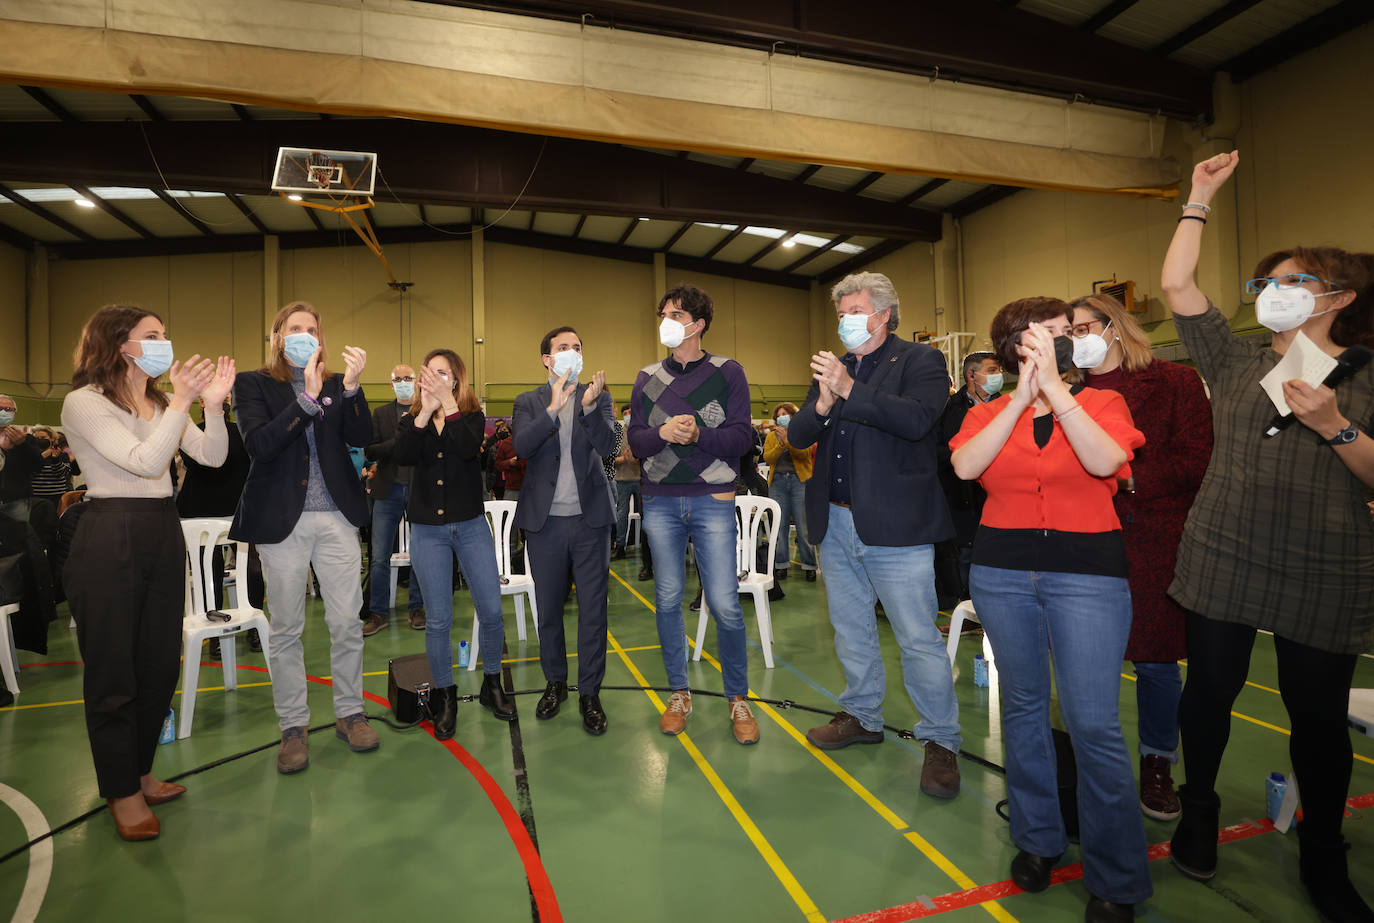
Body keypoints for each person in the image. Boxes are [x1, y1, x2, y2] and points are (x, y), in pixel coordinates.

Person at [1160, 151, 1374, 921]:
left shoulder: (1367, 377)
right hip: (1223, 552)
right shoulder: (1238, 358)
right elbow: (1179, 287)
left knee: (1317, 719)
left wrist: (1336, 424)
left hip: (1328, 567)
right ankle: (1200, 810)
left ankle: (1324, 854)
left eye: (1293, 282)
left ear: (1339, 297)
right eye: (1267, 283)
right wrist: (1199, 196)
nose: (1274, 294)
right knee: (1208, 695)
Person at [950, 296, 1149, 922]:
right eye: (1054, 333)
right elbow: (966, 467)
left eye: (1071, 333)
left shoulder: (1103, 404)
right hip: (1003, 573)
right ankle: (1038, 840)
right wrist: (1019, 398)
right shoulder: (986, 413)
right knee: (1025, 706)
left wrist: (1057, 393)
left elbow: (1103, 461)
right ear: (1015, 346)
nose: (1069, 339)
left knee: (1093, 723)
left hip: (1088, 574)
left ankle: (1116, 874)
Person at [60, 303, 235, 841]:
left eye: (165, 333)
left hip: (162, 528)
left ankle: (140, 772)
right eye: (152, 335)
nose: (164, 343)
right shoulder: (83, 403)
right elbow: (142, 461)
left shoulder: (158, 402)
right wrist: (181, 402)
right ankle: (121, 789)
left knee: (158, 662)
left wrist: (211, 407)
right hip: (111, 531)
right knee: (114, 669)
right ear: (118, 344)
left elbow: (211, 456)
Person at [788, 272, 963, 799]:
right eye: (841, 310)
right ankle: (862, 715)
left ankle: (941, 739)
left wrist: (848, 390)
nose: (846, 318)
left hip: (897, 526)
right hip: (836, 522)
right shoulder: (836, 370)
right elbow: (798, 436)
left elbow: (917, 421)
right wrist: (821, 403)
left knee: (916, 637)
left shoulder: (920, 362)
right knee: (850, 628)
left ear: (884, 313)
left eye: (855, 308)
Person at [1069, 292, 1213, 821]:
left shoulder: (1174, 383)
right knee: (1088, 663)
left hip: (1154, 536)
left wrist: (1127, 478)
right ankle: (1094, 765)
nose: (1077, 338)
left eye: (1086, 327)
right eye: (1070, 332)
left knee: (1155, 662)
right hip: (1083, 539)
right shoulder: (1067, 394)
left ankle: (1157, 763)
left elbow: (1198, 460)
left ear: (1116, 326)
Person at [230, 301, 376, 774]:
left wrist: (350, 389)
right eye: (295, 328)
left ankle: (350, 713)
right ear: (277, 336)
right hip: (281, 524)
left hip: (336, 517)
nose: (305, 335)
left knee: (347, 623)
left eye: (312, 328)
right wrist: (306, 401)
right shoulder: (253, 384)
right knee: (287, 629)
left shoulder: (336, 382)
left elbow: (362, 434)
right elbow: (260, 445)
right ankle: (293, 727)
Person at [628, 282, 760, 744]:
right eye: (663, 312)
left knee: (724, 603)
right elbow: (636, 443)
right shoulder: (646, 378)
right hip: (660, 501)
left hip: (714, 499)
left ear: (699, 324)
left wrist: (697, 434)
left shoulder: (728, 373)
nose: (667, 320)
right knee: (666, 600)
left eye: (677, 313)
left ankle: (737, 698)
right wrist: (664, 430)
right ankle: (678, 694)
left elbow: (743, 438)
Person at [392, 348, 511, 739]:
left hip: (471, 525)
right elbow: (404, 455)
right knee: (439, 619)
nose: (438, 378)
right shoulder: (413, 420)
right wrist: (425, 411)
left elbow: (465, 450)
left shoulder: (472, 417)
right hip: (428, 530)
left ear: (457, 379)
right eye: (433, 372)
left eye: (446, 373)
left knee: (491, 610)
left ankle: (492, 684)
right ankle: (445, 695)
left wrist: (447, 406)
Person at [510, 327, 617, 735]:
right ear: (546, 359)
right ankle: (556, 682)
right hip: (545, 524)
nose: (571, 352)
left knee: (593, 612)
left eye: (577, 347)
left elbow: (609, 447)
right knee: (549, 610)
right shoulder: (529, 401)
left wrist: (588, 409)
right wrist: (553, 410)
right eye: (562, 348)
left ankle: (590, 691)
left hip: (591, 522)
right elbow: (522, 445)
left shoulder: (599, 397)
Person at [176, 392, 265, 658]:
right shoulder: (195, 434)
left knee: (242, 567)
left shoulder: (240, 433)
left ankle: (243, 627)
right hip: (203, 513)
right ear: (202, 403)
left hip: (230, 510)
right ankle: (219, 629)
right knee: (217, 569)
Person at [361, 363, 426, 636]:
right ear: (391, 384)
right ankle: (377, 613)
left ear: (416, 381)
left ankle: (417, 608)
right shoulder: (381, 413)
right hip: (386, 492)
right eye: (397, 379)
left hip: (419, 491)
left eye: (407, 378)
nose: (402, 382)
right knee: (378, 558)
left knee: (421, 554)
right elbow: (371, 449)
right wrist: (397, 442)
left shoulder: (425, 411)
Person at [936, 352, 1001, 599]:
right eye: (992, 370)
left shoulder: (1008, 406)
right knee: (964, 555)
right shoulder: (948, 409)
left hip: (996, 497)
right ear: (971, 375)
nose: (998, 376)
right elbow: (938, 449)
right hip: (960, 496)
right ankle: (968, 612)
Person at [761, 402, 816, 581]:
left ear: (793, 417)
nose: (781, 417)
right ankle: (781, 564)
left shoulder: (802, 433)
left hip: (800, 482)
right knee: (780, 525)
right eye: (779, 415)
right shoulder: (770, 437)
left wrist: (789, 440)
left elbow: (804, 454)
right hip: (777, 483)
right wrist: (780, 444)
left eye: (785, 414)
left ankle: (809, 565)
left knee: (803, 525)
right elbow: (768, 458)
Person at [0, 396, 45, 522]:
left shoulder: (26, 439)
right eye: (0, 408)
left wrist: (22, 444)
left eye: (8, 409)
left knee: (17, 539)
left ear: (14, 414)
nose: (3, 412)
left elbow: (38, 466)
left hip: (16, 502)